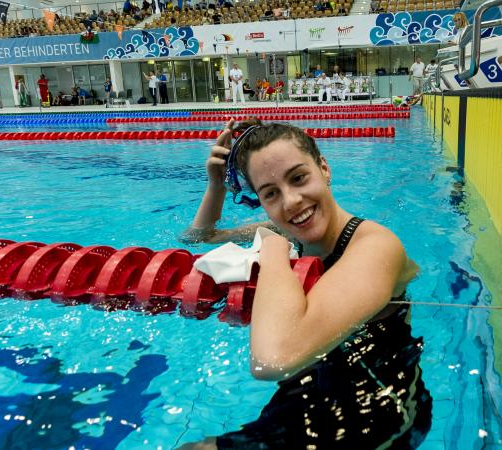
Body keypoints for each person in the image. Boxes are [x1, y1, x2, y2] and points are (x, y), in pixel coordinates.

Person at [179, 118, 431, 448]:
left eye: (298, 178)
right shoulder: (289, 227)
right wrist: (216, 187)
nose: (292, 201)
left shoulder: (375, 246)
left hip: (379, 407)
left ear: (324, 168)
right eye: (271, 194)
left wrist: (271, 248)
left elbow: (274, 359)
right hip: (313, 381)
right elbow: (200, 237)